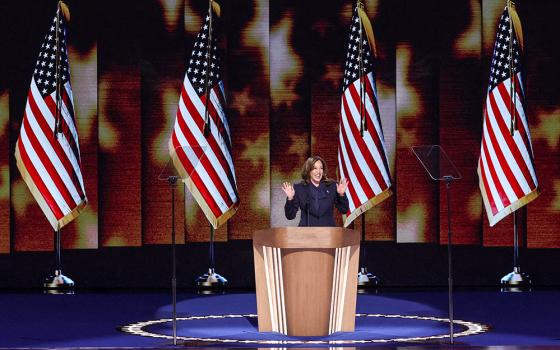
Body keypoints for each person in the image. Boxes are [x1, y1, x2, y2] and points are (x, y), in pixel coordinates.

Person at [282, 156, 349, 227]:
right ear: (308, 170)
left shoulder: (332, 186)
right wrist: (290, 199)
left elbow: (344, 210)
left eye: (321, 168)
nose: (319, 172)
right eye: (315, 168)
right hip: (306, 233)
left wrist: (341, 194)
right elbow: (290, 216)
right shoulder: (299, 188)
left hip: (328, 233)